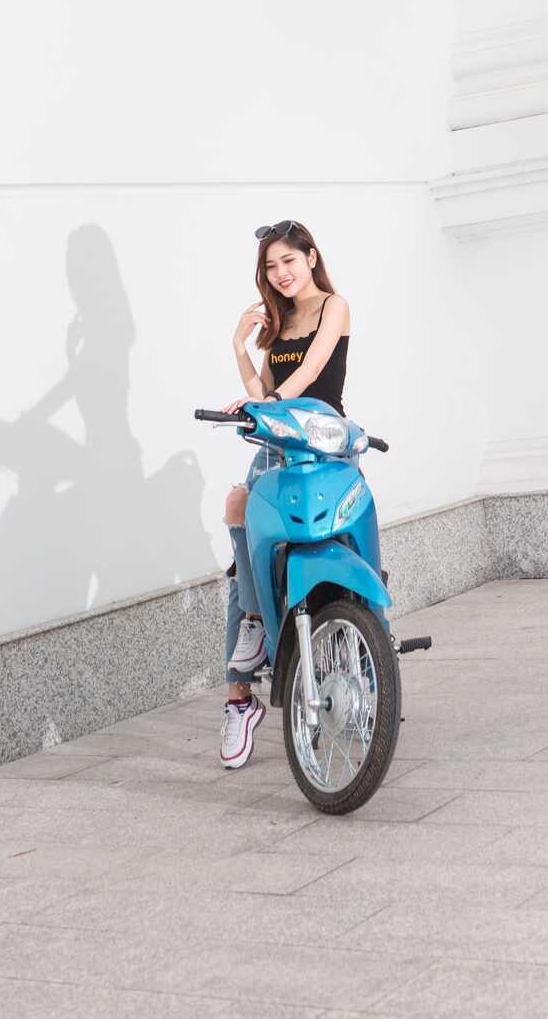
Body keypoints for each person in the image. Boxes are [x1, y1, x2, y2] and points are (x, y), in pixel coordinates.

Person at [217, 219, 350, 769]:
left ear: (311, 257)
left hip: (323, 441)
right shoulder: (278, 322)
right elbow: (266, 390)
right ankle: (252, 629)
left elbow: (311, 371)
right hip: (278, 444)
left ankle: (364, 633)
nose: (280, 273)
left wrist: (268, 407)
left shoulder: (333, 307)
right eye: (271, 267)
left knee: (340, 533)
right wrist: (240, 347)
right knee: (238, 508)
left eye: (288, 261)